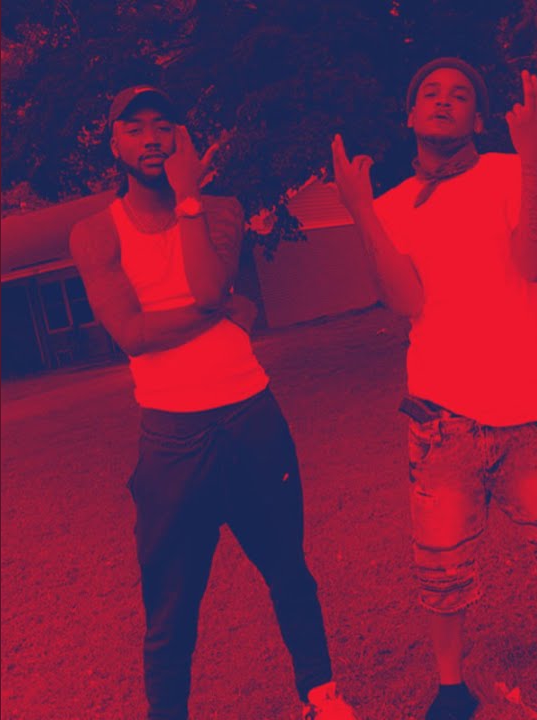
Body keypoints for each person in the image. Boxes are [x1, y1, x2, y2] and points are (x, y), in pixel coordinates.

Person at [330, 58, 537, 719]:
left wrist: (534, 165)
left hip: (530, 406)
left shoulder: (513, 173)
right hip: (441, 417)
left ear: (479, 119)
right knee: (440, 567)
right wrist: (360, 211)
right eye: (430, 92)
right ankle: (452, 688)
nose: (443, 101)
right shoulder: (391, 206)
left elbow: (536, 262)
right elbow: (404, 300)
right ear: (410, 115)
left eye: (460, 95)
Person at [69, 84, 358, 720]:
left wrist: (189, 199)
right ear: (114, 144)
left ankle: (322, 696)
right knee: (170, 600)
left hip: (250, 415)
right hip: (172, 437)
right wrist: (225, 311)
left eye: (163, 125)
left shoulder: (222, 210)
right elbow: (133, 334)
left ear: (183, 137)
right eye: (135, 128)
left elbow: (203, 288)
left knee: (288, 567)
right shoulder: (94, 233)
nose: (151, 139)